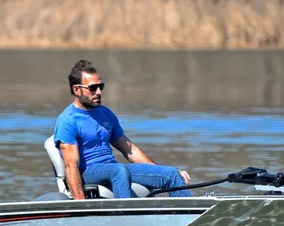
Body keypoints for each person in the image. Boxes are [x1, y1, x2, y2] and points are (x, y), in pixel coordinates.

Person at [53, 59, 192, 200]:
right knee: (119, 170)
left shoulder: (105, 114)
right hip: (88, 172)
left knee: (172, 174)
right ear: (77, 89)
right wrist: (82, 205)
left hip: (113, 168)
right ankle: (123, 212)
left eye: (101, 86)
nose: (99, 92)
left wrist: (159, 171)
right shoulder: (68, 120)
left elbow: (130, 150)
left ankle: (190, 212)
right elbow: (71, 166)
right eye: (93, 88)